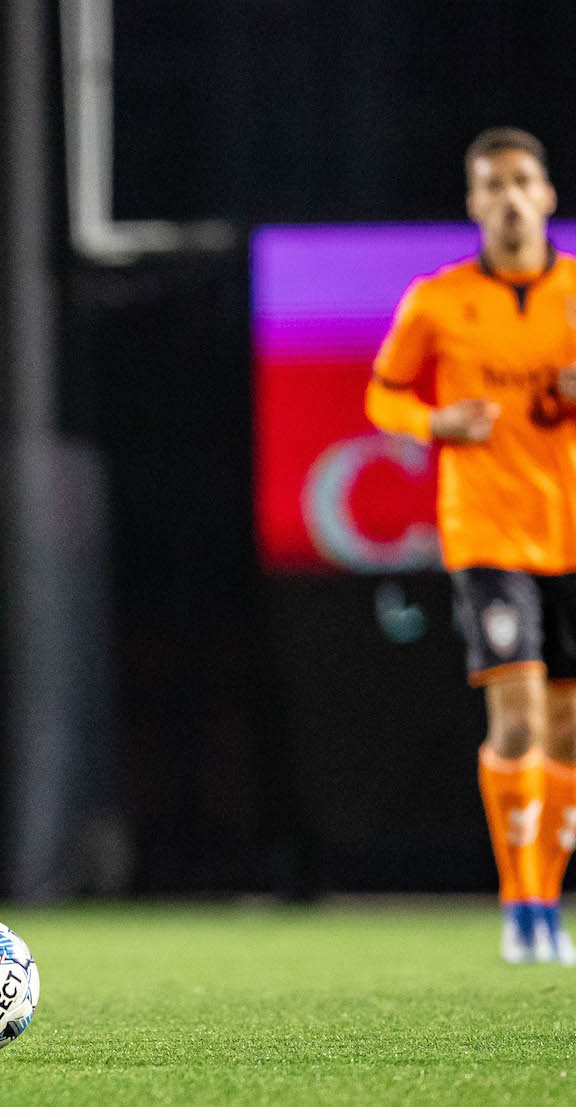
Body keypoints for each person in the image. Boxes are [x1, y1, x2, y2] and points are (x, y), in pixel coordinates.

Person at [365, 126, 576, 964]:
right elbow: (383, 396)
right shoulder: (437, 301)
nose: (510, 196)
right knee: (518, 715)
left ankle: (547, 900)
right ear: (473, 202)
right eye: (493, 184)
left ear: (549, 194)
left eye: (523, 180)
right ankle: (520, 906)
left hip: (569, 532)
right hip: (487, 531)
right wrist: (435, 421)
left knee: (564, 728)